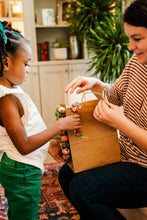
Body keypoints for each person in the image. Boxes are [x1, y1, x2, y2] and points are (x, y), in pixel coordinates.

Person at [49, 0, 147, 219]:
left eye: (137, 39)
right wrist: (95, 83)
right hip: (127, 155)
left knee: (83, 190)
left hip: (144, 167)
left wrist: (121, 123)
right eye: (129, 38)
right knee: (67, 173)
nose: (130, 46)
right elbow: (115, 94)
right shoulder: (136, 63)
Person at [0, 21, 81, 220]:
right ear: (6, 62)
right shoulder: (6, 100)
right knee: (25, 214)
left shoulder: (11, 91)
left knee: (21, 210)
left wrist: (50, 142)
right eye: (26, 64)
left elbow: (28, 129)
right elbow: (24, 145)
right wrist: (59, 125)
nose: (28, 69)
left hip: (23, 167)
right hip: (21, 170)